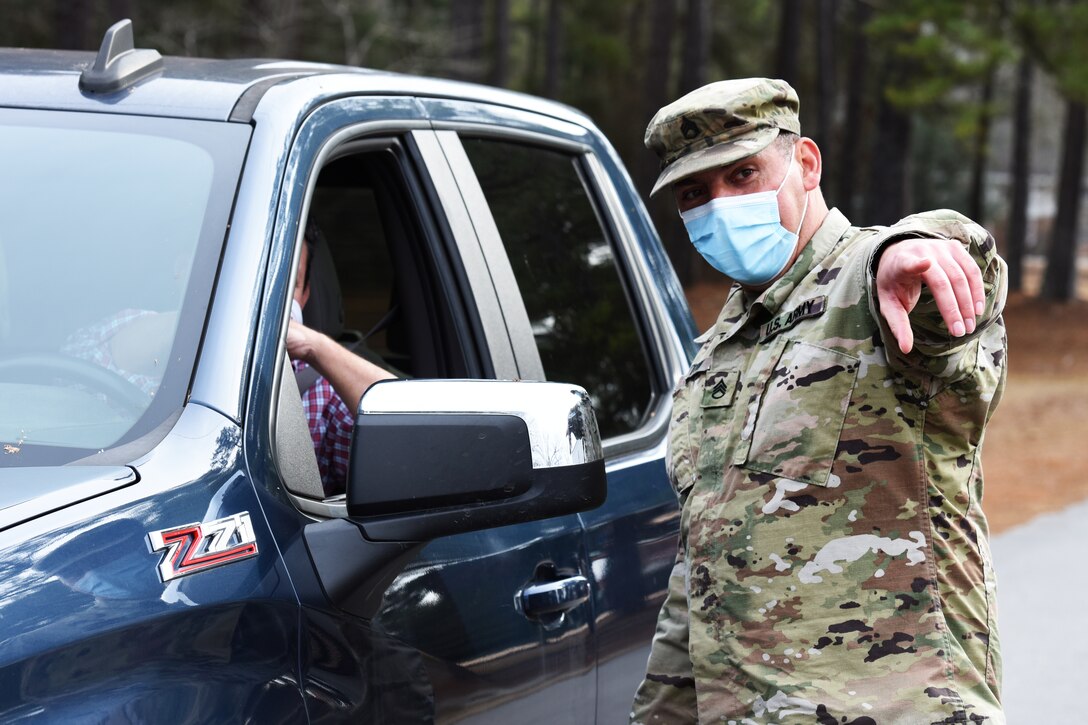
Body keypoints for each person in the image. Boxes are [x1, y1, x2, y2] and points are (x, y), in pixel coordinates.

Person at [630, 78, 1006, 724]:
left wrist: (907, 248)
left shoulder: (872, 289)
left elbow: (952, 264)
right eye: (696, 192)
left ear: (805, 164)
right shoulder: (713, 356)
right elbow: (702, 579)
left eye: (743, 173)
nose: (720, 205)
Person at [287, 224, 394, 496]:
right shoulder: (168, 370)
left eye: (289, 284)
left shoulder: (325, 389)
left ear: (305, 294)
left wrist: (317, 347)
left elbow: (412, 440)